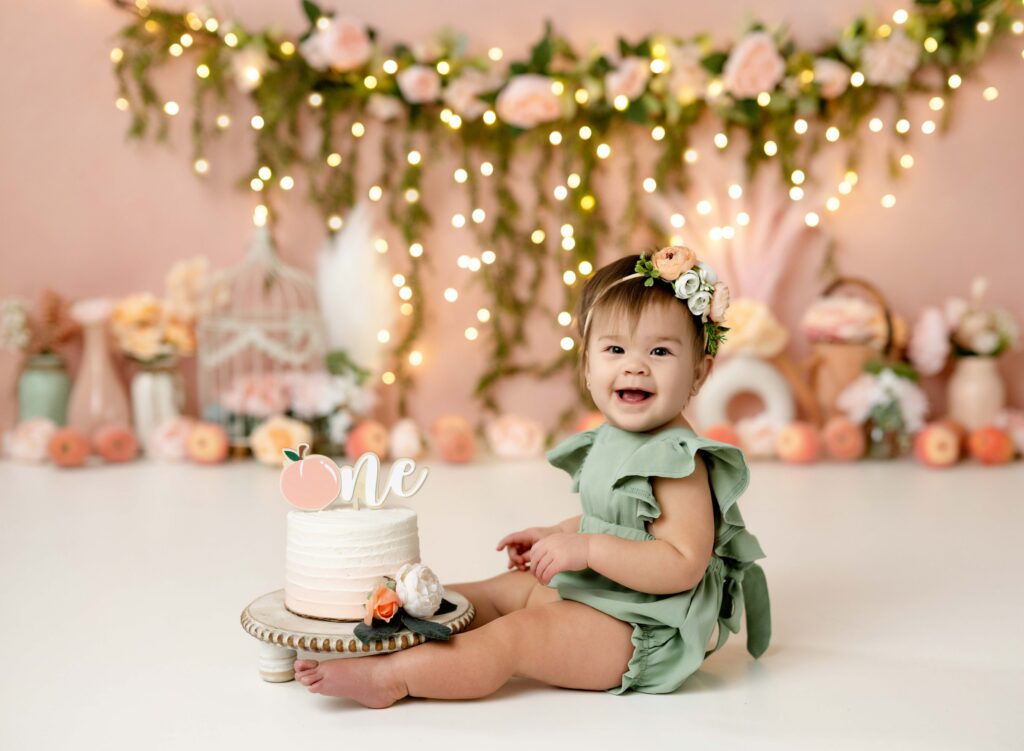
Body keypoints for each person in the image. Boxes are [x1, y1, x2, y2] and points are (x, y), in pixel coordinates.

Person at [294, 247, 771, 707]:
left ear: (699, 372)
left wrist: (584, 550)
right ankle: (389, 637)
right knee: (486, 595)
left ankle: (391, 678)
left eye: (661, 351)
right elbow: (614, 516)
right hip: (603, 589)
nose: (635, 364)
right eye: (616, 348)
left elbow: (680, 562)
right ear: (587, 366)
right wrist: (558, 535)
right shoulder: (614, 436)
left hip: (638, 626)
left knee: (515, 637)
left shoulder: (681, 460)